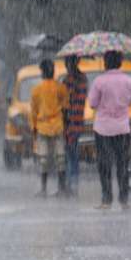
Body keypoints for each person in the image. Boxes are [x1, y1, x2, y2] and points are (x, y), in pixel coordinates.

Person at [88, 50, 131, 209]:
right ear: (120, 62)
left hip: (103, 129)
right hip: (122, 128)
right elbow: (129, 102)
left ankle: (107, 200)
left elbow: (92, 103)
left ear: (106, 63)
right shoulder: (129, 81)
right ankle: (124, 200)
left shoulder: (99, 81)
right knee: (122, 164)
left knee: (104, 164)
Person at [30, 59, 69, 197]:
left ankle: (43, 189)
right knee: (60, 158)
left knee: (43, 159)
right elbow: (65, 108)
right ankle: (62, 188)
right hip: (58, 126)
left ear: (42, 72)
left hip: (42, 127)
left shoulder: (36, 90)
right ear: (53, 71)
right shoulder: (60, 88)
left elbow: (33, 111)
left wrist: (33, 128)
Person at [62, 55, 88, 196]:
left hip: (69, 122)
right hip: (78, 121)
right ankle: (74, 184)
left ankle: (70, 185)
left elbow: (65, 102)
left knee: (68, 154)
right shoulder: (83, 79)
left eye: (67, 62)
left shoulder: (68, 81)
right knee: (73, 154)